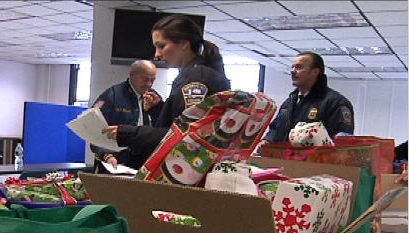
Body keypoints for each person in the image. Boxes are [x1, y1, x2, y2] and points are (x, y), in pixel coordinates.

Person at [102, 14, 230, 165]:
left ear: (183, 44)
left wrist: (128, 133)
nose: (156, 54)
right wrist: (159, 110)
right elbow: (181, 123)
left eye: (162, 46)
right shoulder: (198, 74)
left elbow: (188, 136)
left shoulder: (196, 79)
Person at [261, 52, 354, 144]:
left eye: (299, 67)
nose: (292, 71)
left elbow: (342, 141)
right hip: (279, 158)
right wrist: (268, 140)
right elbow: (275, 128)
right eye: (292, 67)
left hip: (312, 158)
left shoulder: (336, 103)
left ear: (315, 72)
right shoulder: (289, 102)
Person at [90, 60, 163, 171]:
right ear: (132, 75)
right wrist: (106, 155)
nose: (149, 84)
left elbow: (161, 129)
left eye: (152, 80)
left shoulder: (154, 98)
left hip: (144, 162)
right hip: (115, 161)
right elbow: (94, 130)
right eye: (145, 79)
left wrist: (158, 108)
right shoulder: (112, 95)